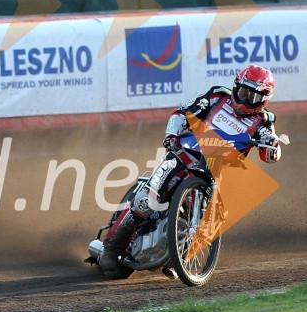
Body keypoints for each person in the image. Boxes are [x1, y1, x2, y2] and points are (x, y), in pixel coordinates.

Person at [99, 65, 283, 276]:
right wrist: (171, 136)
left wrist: (272, 144)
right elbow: (182, 113)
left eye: (253, 97)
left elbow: (270, 156)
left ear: (264, 99)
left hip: (218, 172)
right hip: (184, 155)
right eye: (243, 92)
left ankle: (180, 258)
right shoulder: (217, 97)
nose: (245, 100)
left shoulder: (264, 122)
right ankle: (110, 248)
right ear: (235, 87)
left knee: (215, 219)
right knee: (145, 202)